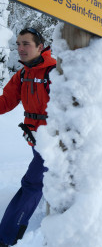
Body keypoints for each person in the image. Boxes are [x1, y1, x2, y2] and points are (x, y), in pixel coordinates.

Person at [0, 28, 56, 246]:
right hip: (35, 138)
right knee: (43, 179)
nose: (20, 48)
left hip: (52, 140)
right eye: (18, 43)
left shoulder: (53, 71)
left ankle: (7, 236)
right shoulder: (23, 74)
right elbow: (6, 101)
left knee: (32, 183)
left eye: (26, 44)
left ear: (40, 47)